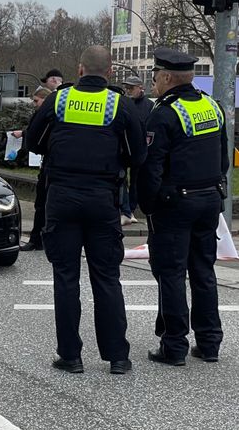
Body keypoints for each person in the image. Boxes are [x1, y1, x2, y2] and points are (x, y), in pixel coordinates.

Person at [26, 45, 146, 375]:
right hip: (102, 198)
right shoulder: (119, 104)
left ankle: (70, 355)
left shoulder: (59, 100)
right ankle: (117, 356)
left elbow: (33, 143)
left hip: (62, 196)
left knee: (65, 278)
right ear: (109, 73)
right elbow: (138, 154)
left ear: (79, 70)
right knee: (106, 277)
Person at [138, 47, 228, 366]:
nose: (153, 83)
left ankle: (174, 345)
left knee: (171, 273)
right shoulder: (213, 107)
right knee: (203, 271)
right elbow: (223, 159)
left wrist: (147, 205)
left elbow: (151, 168)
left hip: (175, 205)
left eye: (155, 78)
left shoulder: (163, 113)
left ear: (165, 77)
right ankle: (209, 342)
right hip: (209, 200)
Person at [19, 86, 53, 251]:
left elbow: (37, 137)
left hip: (50, 166)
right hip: (50, 164)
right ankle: (40, 239)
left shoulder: (46, 115)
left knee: (42, 204)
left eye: (36, 101)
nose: (34, 104)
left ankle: (37, 239)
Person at [119, 75, 154, 226]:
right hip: (123, 148)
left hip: (140, 149)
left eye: (131, 88)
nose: (128, 91)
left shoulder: (149, 106)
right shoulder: (124, 103)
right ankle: (125, 210)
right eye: (126, 88)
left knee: (136, 182)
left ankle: (130, 209)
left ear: (141, 88)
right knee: (121, 180)